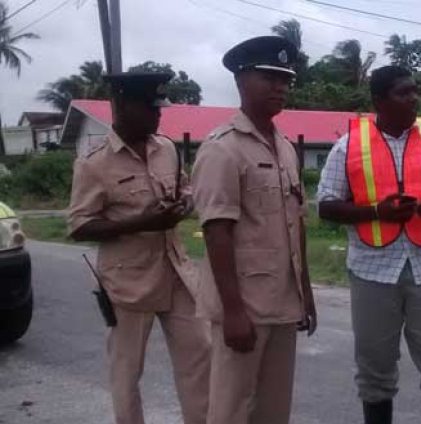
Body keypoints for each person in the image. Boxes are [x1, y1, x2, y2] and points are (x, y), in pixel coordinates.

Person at [317, 65, 421, 424]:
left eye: (415, 90)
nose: (414, 98)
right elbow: (326, 205)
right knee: (374, 369)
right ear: (379, 102)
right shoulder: (349, 145)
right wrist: (377, 212)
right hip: (372, 273)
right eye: (404, 92)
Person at [67, 72, 210, 424]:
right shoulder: (94, 164)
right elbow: (80, 225)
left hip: (176, 272)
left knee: (201, 356)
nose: (158, 115)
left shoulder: (167, 149)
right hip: (128, 283)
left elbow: (186, 190)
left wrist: (182, 206)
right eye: (150, 108)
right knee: (127, 373)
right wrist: (142, 223)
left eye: (159, 107)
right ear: (122, 106)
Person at [191, 36, 317, 424]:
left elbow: (296, 224)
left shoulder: (283, 147)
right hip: (244, 305)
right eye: (269, 77)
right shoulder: (222, 149)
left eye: (285, 79)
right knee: (230, 408)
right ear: (242, 81)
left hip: (282, 301)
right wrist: (232, 312)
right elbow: (216, 232)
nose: (280, 87)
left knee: (273, 409)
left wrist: (306, 292)